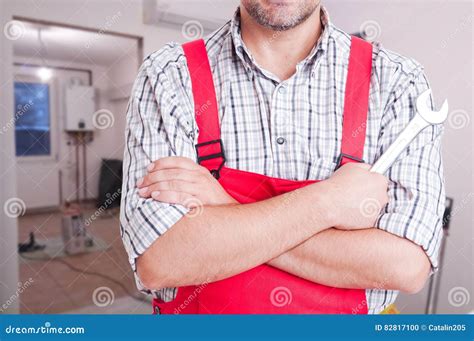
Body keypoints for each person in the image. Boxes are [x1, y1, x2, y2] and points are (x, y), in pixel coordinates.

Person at [120, 0, 445, 314]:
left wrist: (226, 211)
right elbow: (161, 261)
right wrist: (330, 202)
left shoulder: (397, 82)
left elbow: (405, 266)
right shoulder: (169, 75)